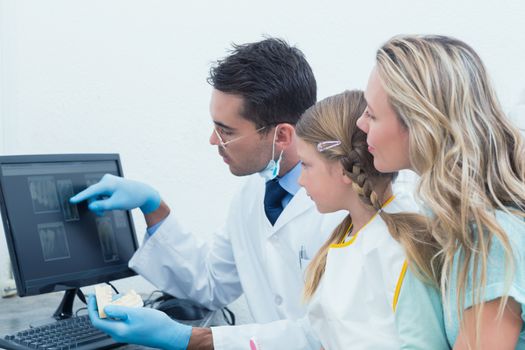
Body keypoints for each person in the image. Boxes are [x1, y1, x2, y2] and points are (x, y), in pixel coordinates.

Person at [72, 38, 344, 349]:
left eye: (226, 130)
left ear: (281, 135)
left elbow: (327, 336)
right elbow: (211, 284)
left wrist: (189, 339)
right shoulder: (251, 197)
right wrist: (154, 207)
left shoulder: (343, 207)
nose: (213, 140)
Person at [356, 34, 525, 349]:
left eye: (372, 114)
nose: (360, 123)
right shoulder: (452, 223)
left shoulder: (490, 240)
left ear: (420, 125)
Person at [295, 90, 449, 349]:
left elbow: (423, 343)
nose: (300, 180)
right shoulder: (346, 235)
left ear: (343, 169)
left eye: (306, 165)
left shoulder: (400, 248)